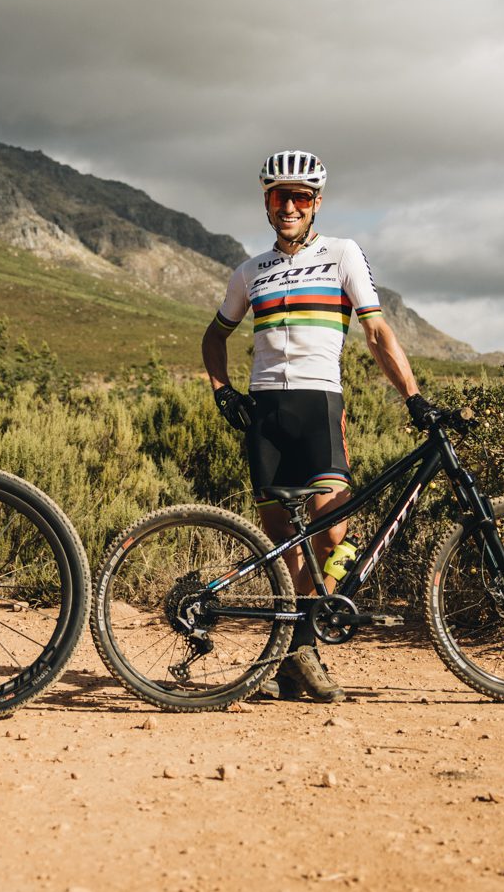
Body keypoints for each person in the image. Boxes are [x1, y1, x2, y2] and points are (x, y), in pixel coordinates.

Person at [200, 150, 436, 703]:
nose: (289, 206)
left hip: (319, 406)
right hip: (266, 413)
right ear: (266, 201)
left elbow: (377, 333)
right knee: (284, 546)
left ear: (317, 203)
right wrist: (222, 392)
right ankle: (295, 657)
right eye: (278, 196)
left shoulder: (343, 254)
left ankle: (296, 647)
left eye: (300, 197)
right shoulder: (249, 271)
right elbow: (214, 337)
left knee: (334, 536)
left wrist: (414, 397)